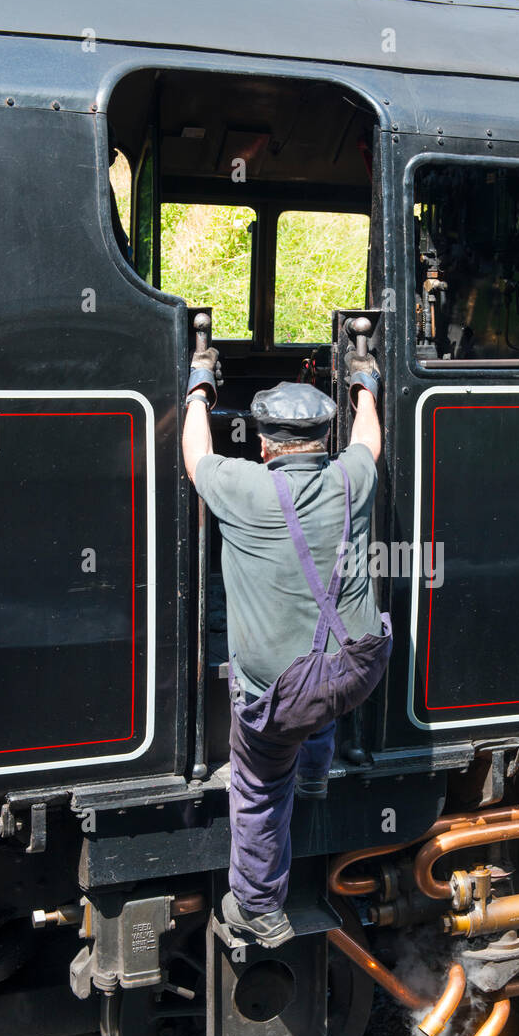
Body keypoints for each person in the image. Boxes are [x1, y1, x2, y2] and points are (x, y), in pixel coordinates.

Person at [181, 353, 390, 948]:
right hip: (359, 669)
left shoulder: (243, 486)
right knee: (320, 684)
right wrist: (364, 388)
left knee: (258, 787)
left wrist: (199, 391)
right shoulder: (351, 476)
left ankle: (257, 907)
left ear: (267, 447)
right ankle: (317, 777)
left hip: (286, 692)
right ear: (324, 439)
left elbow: (196, 457)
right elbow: (369, 442)